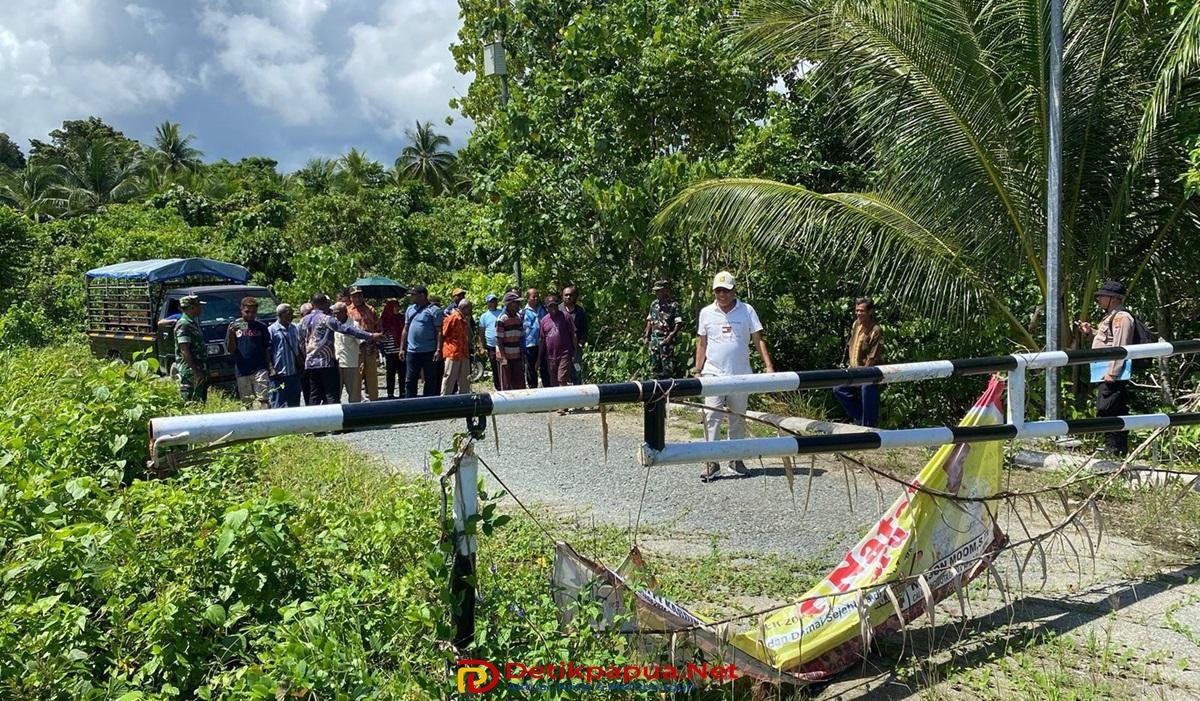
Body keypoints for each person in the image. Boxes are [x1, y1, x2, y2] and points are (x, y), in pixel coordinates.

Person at [693, 271, 775, 482]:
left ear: (734, 290)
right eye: (719, 290)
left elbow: (758, 339)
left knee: (738, 417)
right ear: (714, 291)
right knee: (711, 417)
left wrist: (768, 366)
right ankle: (712, 462)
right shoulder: (706, 313)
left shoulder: (747, 311)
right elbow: (702, 343)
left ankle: (736, 460)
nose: (723, 294)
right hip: (713, 373)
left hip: (740, 375)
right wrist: (697, 369)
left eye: (726, 290)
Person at [1076, 280, 1135, 456]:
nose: (1099, 299)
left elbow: (1120, 346)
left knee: (1110, 407)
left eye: (1102, 296)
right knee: (1108, 407)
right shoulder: (1111, 317)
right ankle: (1112, 446)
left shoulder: (1121, 318)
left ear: (1113, 298)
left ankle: (1115, 448)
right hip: (1103, 371)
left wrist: (1113, 372)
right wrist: (1090, 332)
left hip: (1111, 373)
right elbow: (1107, 340)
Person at [299, 293, 381, 405]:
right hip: (326, 363)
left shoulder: (303, 320)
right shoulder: (326, 319)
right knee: (331, 394)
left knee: (315, 394)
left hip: (310, 363)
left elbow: (301, 342)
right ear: (324, 304)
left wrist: (307, 356)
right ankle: (333, 420)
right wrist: (370, 335)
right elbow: (346, 329)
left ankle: (313, 420)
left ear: (313, 304)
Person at [833, 297, 883, 427]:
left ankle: (869, 427)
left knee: (867, 393)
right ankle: (860, 419)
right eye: (857, 311)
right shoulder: (856, 324)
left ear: (870, 312)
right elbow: (852, 345)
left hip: (868, 372)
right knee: (838, 388)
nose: (859, 313)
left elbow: (873, 356)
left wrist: (863, 374)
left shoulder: (875, 330)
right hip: (854, 369)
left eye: (862, 311)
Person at [226, 296, 271, 409]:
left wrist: (269, 366)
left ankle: (265, 421)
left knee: (263, 398)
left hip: (259, 368)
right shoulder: (236, 326)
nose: (250, 315)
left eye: (253, 312)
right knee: (247, 402)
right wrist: (232, 335)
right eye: (247, 312)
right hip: (242, 369)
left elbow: (266, 347)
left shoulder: (261, 327)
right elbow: (230, 350)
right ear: (241, 310)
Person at [400, 285, 444, 398]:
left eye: (414, 295)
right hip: (412, 351)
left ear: (422, 295)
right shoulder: (410, 309)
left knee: (430, 379)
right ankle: (410, 403)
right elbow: (405, 329)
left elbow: (439, 332)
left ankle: (428, 404)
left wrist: (438, 350)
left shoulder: (434, 311)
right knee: (410, 379)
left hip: (429, 351)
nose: (411, 297)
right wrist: (402, 348)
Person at [642, 280, 683, 379]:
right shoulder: (654, 304)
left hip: (666, 340)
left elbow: (679, 324)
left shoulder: (674, 305)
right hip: (654, 339)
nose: (657, 293)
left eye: (659, 291)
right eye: (655, 291)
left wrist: (669, 338)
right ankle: (656, 389)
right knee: (655, 368)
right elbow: (650, 320)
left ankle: (668, 390)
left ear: (664, 290)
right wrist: (646, 336)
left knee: (667, 369)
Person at [347, 286, 381, 401]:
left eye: (360, 295)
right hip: (355, 350)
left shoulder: (371, 309)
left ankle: (374, 402)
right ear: (351, 297)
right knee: (356, 378)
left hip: (370, 349)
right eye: (355, 295)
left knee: (372, 378)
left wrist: (377, 339)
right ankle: (355, 403)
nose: (358, 298)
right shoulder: (347, 311)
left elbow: (378, 328)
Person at [174, 295, 208, 403]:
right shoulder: (183, 324)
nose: (200, 309)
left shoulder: (191, 323)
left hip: (199, 367)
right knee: (190, 401)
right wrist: (195, 370)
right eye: (198, 306)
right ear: (191, 308)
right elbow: (184, 350)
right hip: (190, 371)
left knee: (200, 400)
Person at [267, 303, 303, 408]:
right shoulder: (272, 330)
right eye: (289, 313)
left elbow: (298, 348)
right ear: (281, 314)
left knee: (294, 403)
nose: (292, 316)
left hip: (293, 373)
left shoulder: (294, 328)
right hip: (278, 374)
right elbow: (267, 351)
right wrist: (271, 368)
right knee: (278, 403)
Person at [538, 295, 578, 388]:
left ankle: (565, 401)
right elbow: (541, 340)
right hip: (551, 356)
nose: (553, 308)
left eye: (555, 305)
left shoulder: (566, 316)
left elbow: (573, 334)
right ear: (546, 307)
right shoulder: (544, 321)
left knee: (562, 379)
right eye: (550, 306)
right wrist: (539, 358)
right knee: (553, 381)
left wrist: (575, 351)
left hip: (564, 353)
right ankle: (556, 401)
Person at [332, 302, 365, 402]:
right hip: (337, 363)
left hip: (350, 364)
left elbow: (362, 343)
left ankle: (354, 415)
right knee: (336, 393)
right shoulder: (334, 325)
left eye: (337, 313)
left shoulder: (354, 325)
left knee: (354, 393)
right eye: (334, 313)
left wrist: (361, 361)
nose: (335, 315)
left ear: (345, 312)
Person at [495, 292, 527, 390]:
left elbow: (520, 338)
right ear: (509, 304)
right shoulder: (502, 319)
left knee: (519, 382)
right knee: (506, 383)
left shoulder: (518, 318)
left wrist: (522, 354)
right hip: (506, 356)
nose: (518, 305)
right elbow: (499, 339)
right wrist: (504, 358)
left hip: (516, 355)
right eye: (515, 303)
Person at [441, 299, 473, 395]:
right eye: (469, 309)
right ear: (463, 308)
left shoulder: (465, 319)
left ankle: (464, 398)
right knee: (449, 377)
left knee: (465, 378)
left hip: (464, 352)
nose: (471, 311)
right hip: (453, 352)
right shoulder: (452, 318)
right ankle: (444, 399)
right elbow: (443, 333)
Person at [561, 286, 588, 384]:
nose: (568, 297)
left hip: (575, 347)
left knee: (576, 370)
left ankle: (578, 391)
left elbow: (585, 328)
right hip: (561, 347)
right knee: (562, 372)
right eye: (566, 295)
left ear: (575, 296)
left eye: (571, 295)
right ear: (562, 296)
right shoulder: (558, 309)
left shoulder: (580, 311)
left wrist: (582, 341)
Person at [522, 288, 548, 388]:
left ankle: (548, 389)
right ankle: (533, 390)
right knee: (531, 369)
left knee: (545, 367)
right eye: (533, 296)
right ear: (527, 298)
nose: (536, 298)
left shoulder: (544, 309)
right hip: (530, 344)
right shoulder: (523, 312)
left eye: (537, 296)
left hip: (543, 343)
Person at [380, 299, 405, 398]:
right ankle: (390, 393)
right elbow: (381, 334)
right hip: (389, 350)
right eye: (395, 306)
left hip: (400, 349)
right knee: (390, 372)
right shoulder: (384, 319)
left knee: (402, 372)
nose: (397, 308)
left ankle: (402, 391)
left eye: (398, 306)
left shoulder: (401, 318)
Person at [478, 293, 503, 390]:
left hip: (502, 344)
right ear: (487, 303)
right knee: (494, 367)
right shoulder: (484, 316)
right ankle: (498, 387)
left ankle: (505, 385)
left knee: (504, 365)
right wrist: (482, 346)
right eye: (491, 301)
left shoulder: (501, 312)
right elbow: (481, 332)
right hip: (491, 346)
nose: (493, 303)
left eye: (494, 301)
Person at [298, 302, 315, 405]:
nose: (310, 315)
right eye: (307, 313)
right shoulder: (299, 326)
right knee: (307, 390)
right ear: (302, 315)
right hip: (304, 363)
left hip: (316, 362)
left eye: (312, 312)